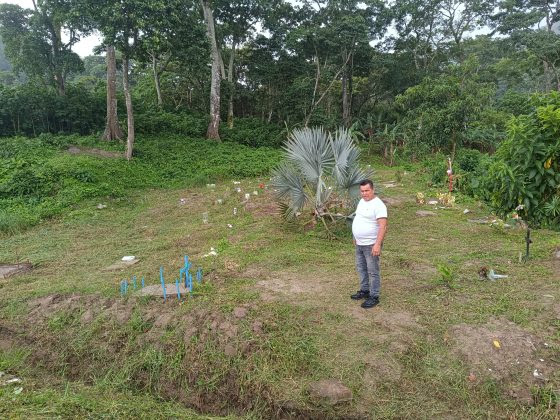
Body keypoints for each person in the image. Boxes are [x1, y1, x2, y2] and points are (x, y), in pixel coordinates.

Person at [350, 179, 388, 308]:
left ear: (373, 189)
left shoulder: (379, 205)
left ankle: (374, 296)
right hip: (359, 243)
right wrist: (355, 236)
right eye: (362, 191)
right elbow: (358, 218)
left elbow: (383, 227)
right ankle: (365, 290)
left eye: (367, 191)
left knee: (372, 271)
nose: (364, 193)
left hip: (371, 244)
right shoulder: (361, 201)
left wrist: (377, 244)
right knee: (361, 268)